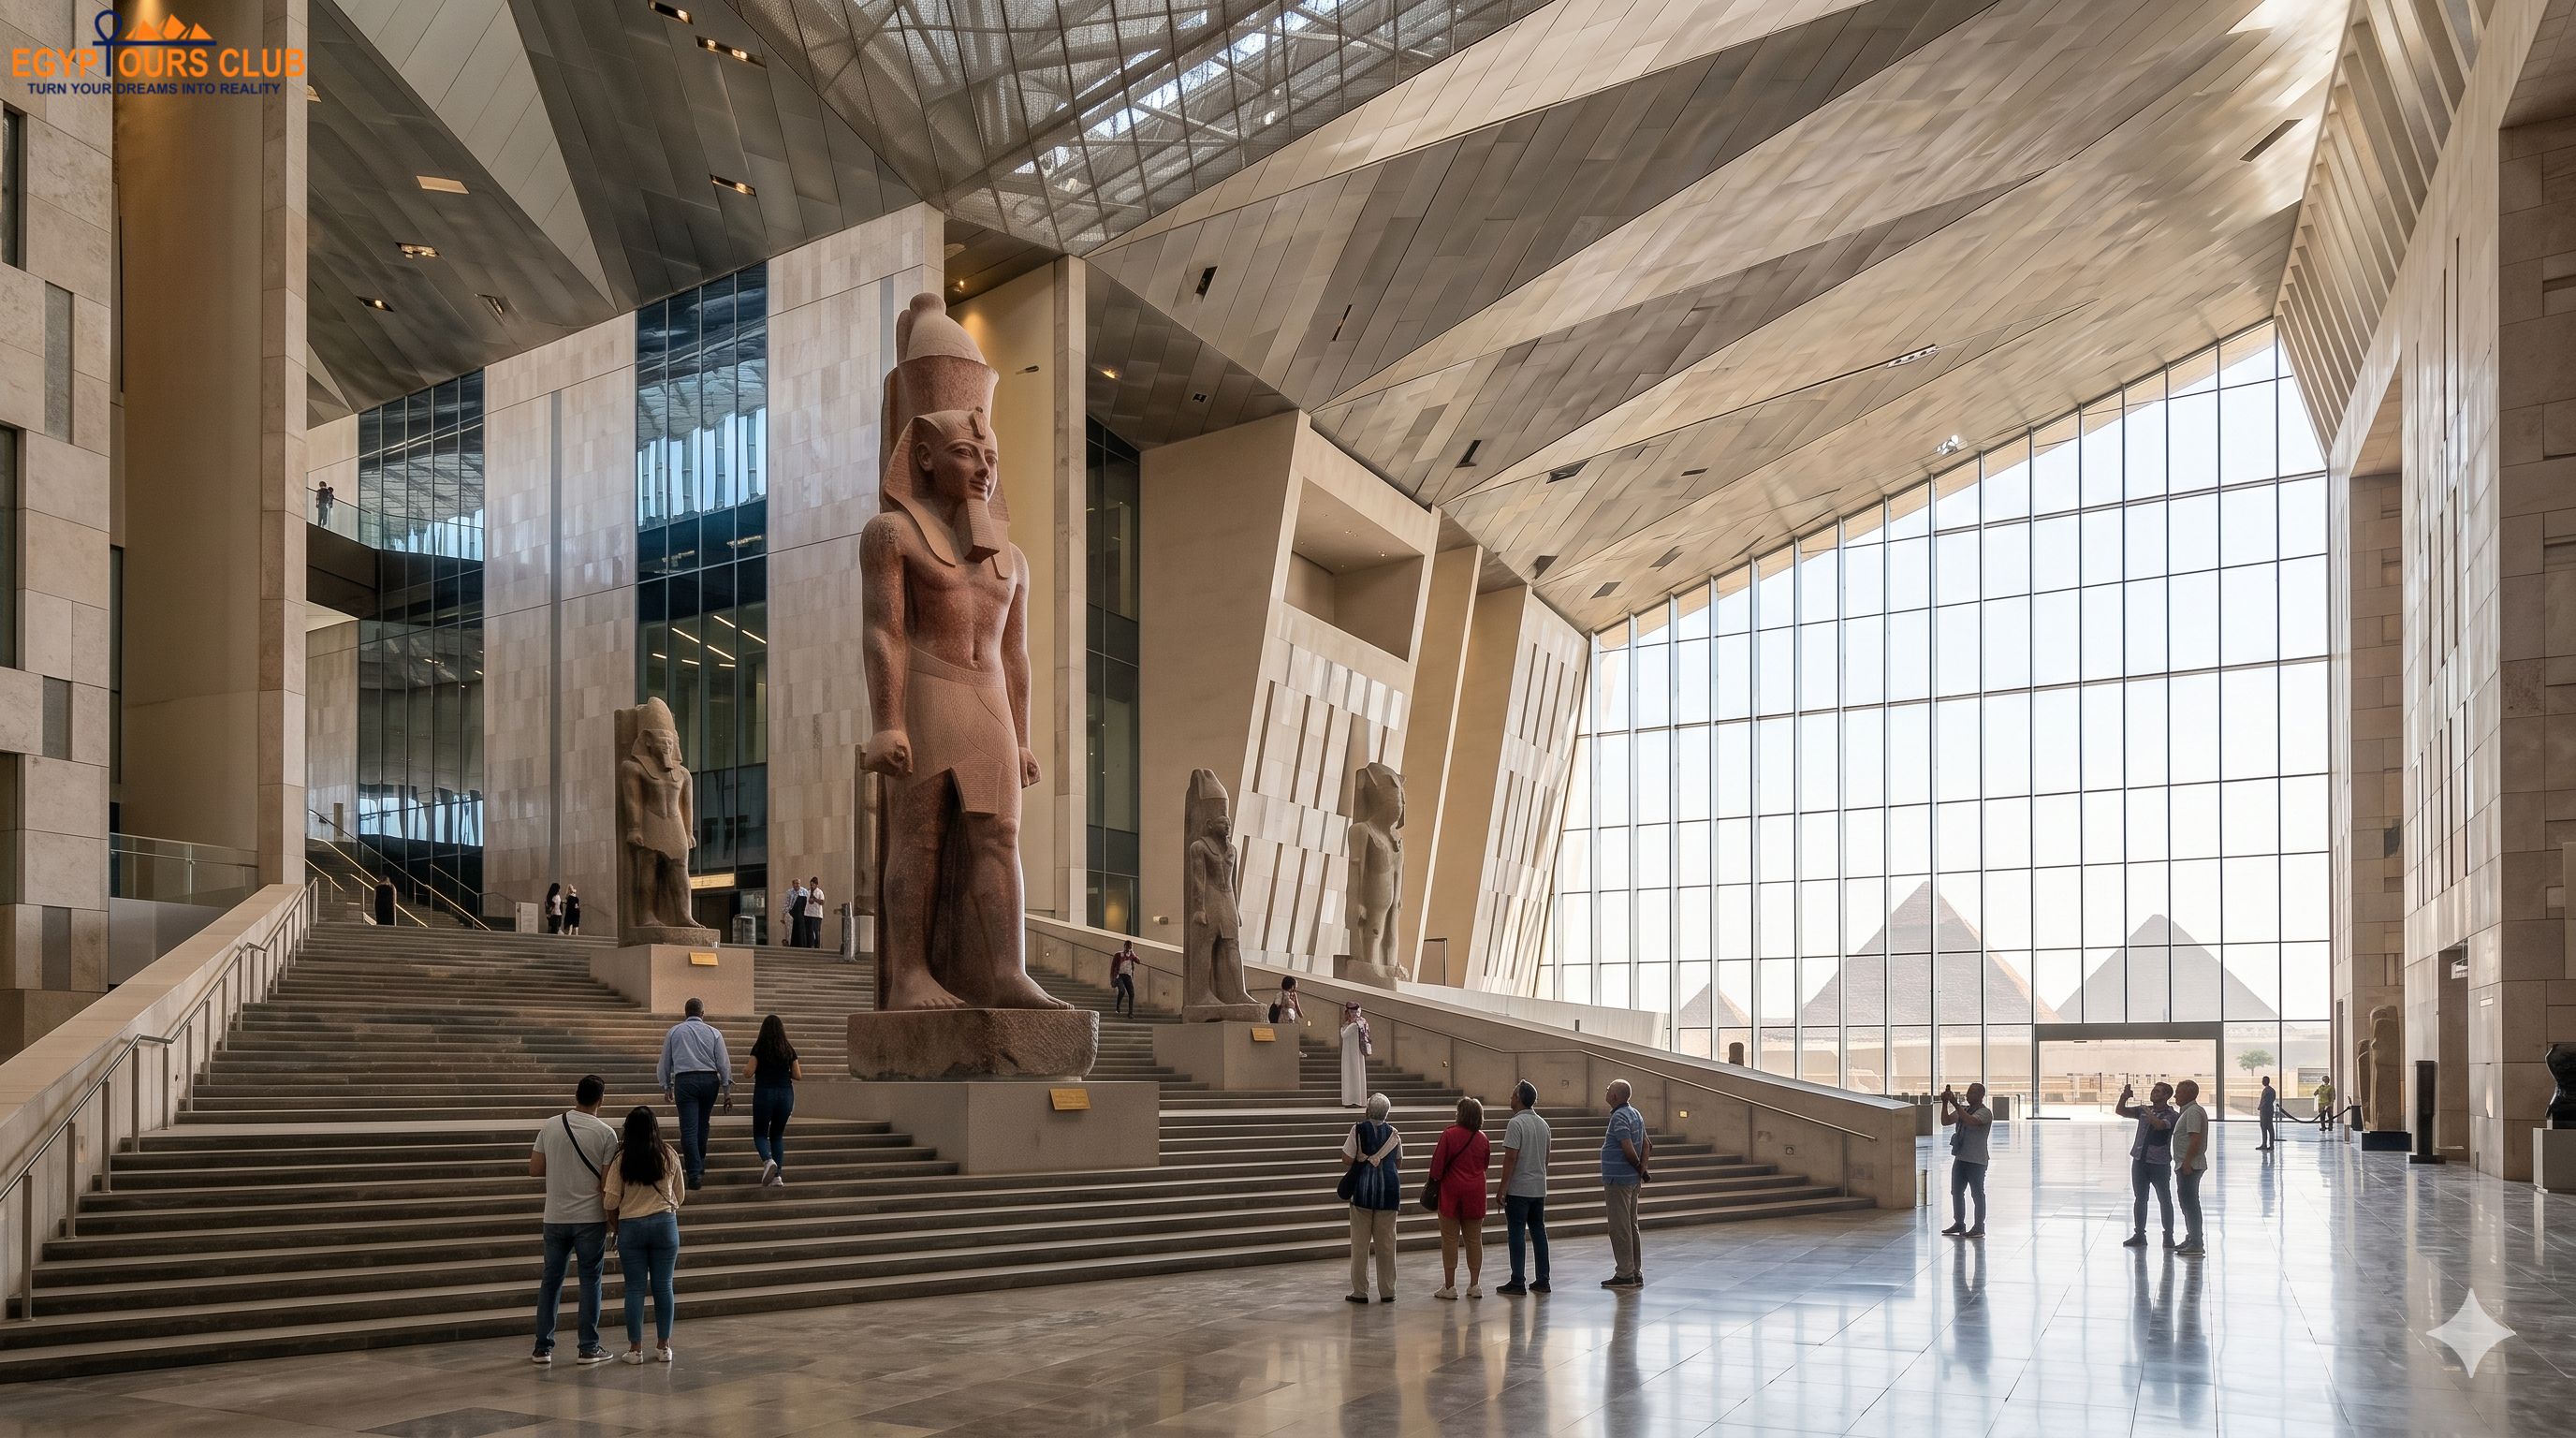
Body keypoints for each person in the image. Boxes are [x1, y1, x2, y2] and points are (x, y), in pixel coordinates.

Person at [528, 1074, 617, 1366]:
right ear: (601, 1100)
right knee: (590, 1280)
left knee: (551, 1281)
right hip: (590, 1218)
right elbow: (606, 1184)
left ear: (576, 1095)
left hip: (555, 1216)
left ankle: (542, 1348)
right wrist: (612, 1220)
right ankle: (588, 1348)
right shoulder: (606, 1133)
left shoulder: (551, 1125)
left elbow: (535, 1168)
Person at [602, 1106, 685, 1364]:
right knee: (664, 1286)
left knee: (635, 1288)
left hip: (632, 1226)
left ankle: (635, 1349)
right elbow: (680, 1195)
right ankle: (664, 1346)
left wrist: (616, 1226)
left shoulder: (622, 1159)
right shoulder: (668, 1154)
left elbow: (610, 1201)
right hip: (665, 1224)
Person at [656, 998, 732, 1189]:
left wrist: (666, 1086)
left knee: (689, 1129)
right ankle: (699, 1161)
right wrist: (727, 1092)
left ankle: (694, 1173)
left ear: (685, 1013)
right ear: (702, 1014)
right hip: (709, 1080)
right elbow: (723, 1063)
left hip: (685, 1081)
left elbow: (665, 1061)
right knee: (703, 1123)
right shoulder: (714, 1032)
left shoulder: (675, 1032)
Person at [1340, 1093, 1402, 1302]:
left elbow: (1347, 1158)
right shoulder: (1393, 1133)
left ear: (1368, 1111)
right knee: (1387, 1245)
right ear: (1387, 1113)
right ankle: (1388, 1291)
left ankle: (1360, 1291)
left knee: (1360, 1245)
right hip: (1389, 1193)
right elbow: (1398, 1162)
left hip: (1362, 1193)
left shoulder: (1357, 1130)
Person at [1430, 1096, 1491, 1299]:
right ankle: (1475, 1284)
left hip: (1451, 1193)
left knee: (1450, 1239)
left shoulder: (1449, 1135)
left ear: (1460, 1114)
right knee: (1474, 1239)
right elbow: (1485, 1165)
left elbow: (1437, 1167)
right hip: (1476, 1192)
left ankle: (1450, 1286)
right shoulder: (1483, 1138)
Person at [1495, 1079, 1550, 1296]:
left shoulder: (1515, 1123)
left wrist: (1502, 1188)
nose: (1510, 1098)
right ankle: (1543, 1279)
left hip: (1519, 1188)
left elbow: (1511, 1158)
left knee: (1516, 1233)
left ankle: (1517, 1280)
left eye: (1512, 1095)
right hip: (1538, 1187)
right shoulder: (1543, 1124)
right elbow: (1546, 1158)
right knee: (1539, 1231)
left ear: (1518, 1099)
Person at [2115, 1080, 2178, 1249]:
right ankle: (2139, 1235)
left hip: (2159, 1163)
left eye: (2157, 1092)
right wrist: (2124, 1097)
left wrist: (2148, 1112)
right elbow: (2120, 1111)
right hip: (2140, 1160)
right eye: (2153, 1090)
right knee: (2140, 1198)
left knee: (2164, 1199)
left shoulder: (2171, 1115)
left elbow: (2159, 1125)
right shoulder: (2144, 1110)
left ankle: (2168, 1236)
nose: (2153, 1093)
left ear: (2167, 1095)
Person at [1601, 1078, 1648, 1288]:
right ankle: (1635, 1271)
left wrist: (1638, 1168)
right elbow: (1647, 1144)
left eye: (1608, 1089)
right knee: (1631, 1225)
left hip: (1618, 1180)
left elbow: (1627, 1147)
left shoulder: (1619, 1117)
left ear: (1614, 1096)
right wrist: (1642, 1171)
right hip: (1631, 1180)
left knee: (1619, 1228)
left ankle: (1624, 1274)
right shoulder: (1635, 1113)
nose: (1606, 1091)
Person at [747, 1015, 801, 1187]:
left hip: (764, 1093)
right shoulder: (788, 1049)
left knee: (760, 1133)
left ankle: (768, 1160)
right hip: (785, 1094)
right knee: (777, 1135)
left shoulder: (759, 1047)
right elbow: (798, 1075)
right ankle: (777, 1177)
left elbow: (748, 1072)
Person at [1938, 1082, 1992, 1239]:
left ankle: (1979, 1227)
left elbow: (1971, 1121)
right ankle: (1959, 1223)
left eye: (1973, 1093)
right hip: (1961, 1158)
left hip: (1977, 1160)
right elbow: (1945, 1121)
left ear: (1981, 1096)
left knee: (1977, 1193)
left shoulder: (1985, 1112)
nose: (1969, 1095)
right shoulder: (1964, 1110)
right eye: (1968, 1092)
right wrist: (1945, 1103)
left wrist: (1955, 1104)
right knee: (1956, 1191)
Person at [2172, 1078, 2210, 1256]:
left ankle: (2196, 1242)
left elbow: (2195, 1138)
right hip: (2187, 1163)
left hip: (2190, 1165)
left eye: (2179, 1092)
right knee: (2186, 1202)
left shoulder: (2193, 1112)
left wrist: (2187, 1161)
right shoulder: (2188, 1111)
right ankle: (2192, 1237)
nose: (2175, 1096)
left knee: (2190, 1204)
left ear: (2188, 1094)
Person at [1339, 1002, 1371, 1108]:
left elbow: (1344, 1034)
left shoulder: (1355, 1025)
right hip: (1354, 1052)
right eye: (1351, 1012)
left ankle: (1352, 1100)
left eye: (1354, 1012)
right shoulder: (1361, 1023)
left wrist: (1344, 1027)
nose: (1353, 1014)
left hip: (1351, 1052)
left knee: (1351, 1074)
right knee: (1356, 1074)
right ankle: (1357, 1099)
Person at [1109, 941, 1139, 1018]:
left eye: (1130, 947)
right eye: (1127, 947)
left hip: (1128, 976)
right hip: (1119, 976)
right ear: (1124, 946)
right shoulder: (1118, 955)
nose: (1128, 949)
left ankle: (1130, 1013)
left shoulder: (1131, 955)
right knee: (1122, 991)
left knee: (1132, 994)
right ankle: (1118, 1007)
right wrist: (1112, 979)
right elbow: (1112, 967)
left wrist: (1133, 954)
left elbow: (1138, 961)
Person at [2257, 1076, 2277, 1152]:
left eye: (2263, 1080)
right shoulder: (2272, 1090)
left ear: (2266, 1081)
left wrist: (2260, 1107)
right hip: (2269, 1110)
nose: (2262, 1082)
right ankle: (2271, 1145)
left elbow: (2265, 1101)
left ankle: (2264, 1144)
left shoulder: (2267, 1090)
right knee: (2270, 1127)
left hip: (2265, 1111)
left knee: (2264, 1127)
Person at [804, 877, 827, 948]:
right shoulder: (807, 892)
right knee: (809, 931)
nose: (811, 886)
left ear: (816, 885)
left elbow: (822, 902)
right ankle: (809, 945)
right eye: (810, 884)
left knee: (816, 931)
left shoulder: (820, 892)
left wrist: (815, 899)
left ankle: (817, 946)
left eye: (813, 884)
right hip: (808, 914)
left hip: (817, 915)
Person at [785, 880, 809, 947]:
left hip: (801, 914)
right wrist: (785, 914)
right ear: (793, 884)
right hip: (792, 913)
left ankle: (802, 945)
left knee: (801, 931)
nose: (797, 885)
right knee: (791, 931)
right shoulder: (789, 892)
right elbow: (786, 903)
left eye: (798, 883)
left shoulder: (804, 891)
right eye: (796, 883)